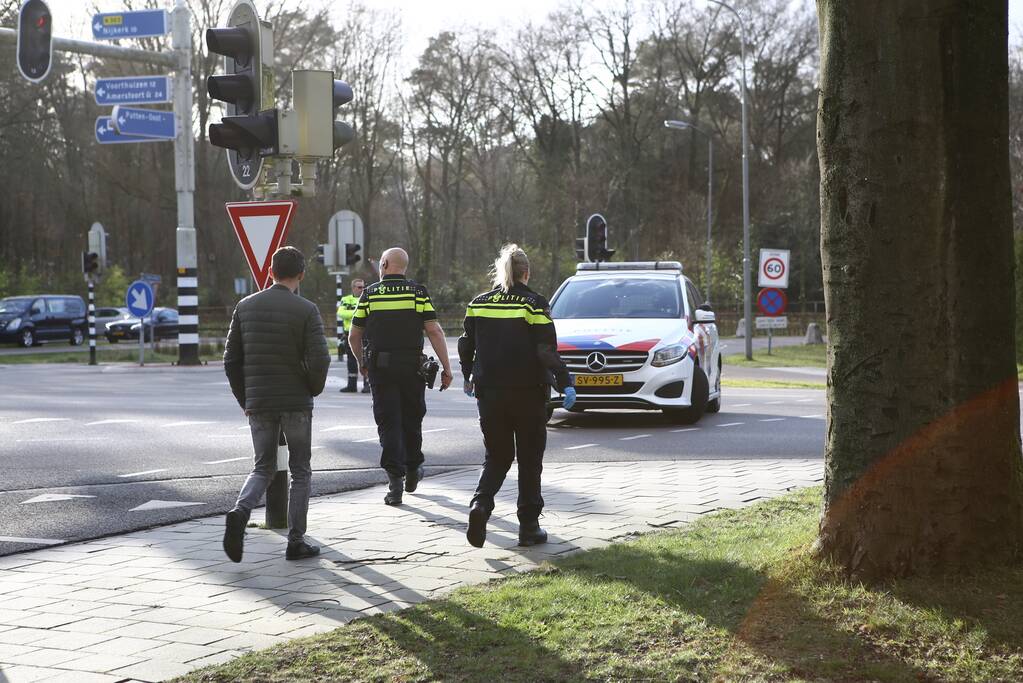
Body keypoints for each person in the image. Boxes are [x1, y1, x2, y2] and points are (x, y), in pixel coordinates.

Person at [458, 244, 576, 548]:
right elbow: (546, 351)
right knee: (529, 459)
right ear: (527, 273)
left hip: (489, 395)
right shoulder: (534, 304)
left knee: (497, 457)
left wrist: (468, 374)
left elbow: (466, 343)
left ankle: (480, 505)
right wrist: (565, 382)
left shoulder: (478, 303)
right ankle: (529, 527)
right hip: (528, 394)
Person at [222, 246, 331, 562]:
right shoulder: (307, 310)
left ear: (270, 272)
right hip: (296, 401)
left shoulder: (244, 307)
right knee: (301, 470)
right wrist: (312, 388)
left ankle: (241, 512)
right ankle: (296, 542)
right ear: (301, 275)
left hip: (259, 401)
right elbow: (321, 358)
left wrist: (246, 399)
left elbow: (231, 360)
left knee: (263, 467)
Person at [348, 247, 453, 505]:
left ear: (384, 264)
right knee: (412, 419)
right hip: (412, 368)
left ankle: (395, 483)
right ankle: (413, 468)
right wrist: (447, 368)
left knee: (388, 423)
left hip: (381, 369)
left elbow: (354, 335)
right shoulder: (418, 293)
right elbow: (434, 331)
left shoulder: (370, 294)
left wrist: (362, 362)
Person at [337, 278, 370, 393]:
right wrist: (359, 312)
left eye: (363, 287)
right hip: (349, 333)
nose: (362, 289)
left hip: (365, 334)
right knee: (351, 360)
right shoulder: (346, 300)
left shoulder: (368, 298)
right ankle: (351, 385)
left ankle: (367, 384)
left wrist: (352, 313)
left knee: (366, 358)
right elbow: (341, 313)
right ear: (353, 288)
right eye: (359, 287)